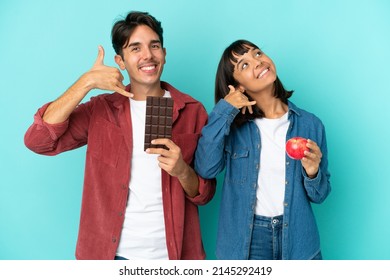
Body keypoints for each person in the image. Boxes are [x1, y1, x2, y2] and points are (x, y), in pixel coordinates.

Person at [24, 11, 216, 260]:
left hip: (174, 257)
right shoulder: (101, 111)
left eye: (154, 46)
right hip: (110, 257)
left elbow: (206, 193)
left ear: (164, 54)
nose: (148, 55)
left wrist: (182, 170)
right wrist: (85, 83)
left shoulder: (192, 111)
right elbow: (38, 141)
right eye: (135, 48)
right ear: (120, 61)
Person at [194, 39, 331, 260]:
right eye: (244, 65)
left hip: (298, 240)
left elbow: (320, 195)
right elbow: (205, 168)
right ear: (238, 87)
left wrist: (313, 172)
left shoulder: (311, 124)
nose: (257, 62)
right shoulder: (232, 128)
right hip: (247, 242)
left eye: (257, 54)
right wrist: (225, 109)